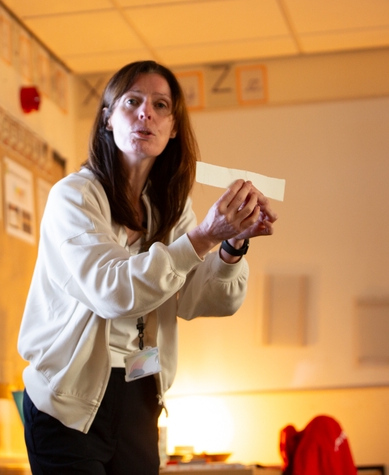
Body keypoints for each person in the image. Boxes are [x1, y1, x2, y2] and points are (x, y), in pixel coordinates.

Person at [18, 60, 278, 474]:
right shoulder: (74, 197)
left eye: (161, 105)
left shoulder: (171, 210)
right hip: (68, 405)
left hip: (141, 393)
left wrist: (231, 243)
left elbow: (197, 299)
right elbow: (112, 292)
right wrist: (204, 237)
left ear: (173, 127)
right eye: (132, 102)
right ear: (108, 119)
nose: (147, 114)